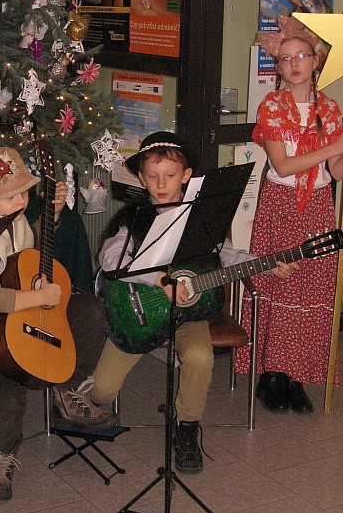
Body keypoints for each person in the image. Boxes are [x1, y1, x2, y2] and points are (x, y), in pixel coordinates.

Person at [56, 131, 295, 474]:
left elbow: (225, 256)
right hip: (139, 314)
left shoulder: (203, 217)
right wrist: (158, 280)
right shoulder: (134, 217)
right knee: (103, 389)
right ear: (141, 178)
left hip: (189, 314)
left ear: (186, 175)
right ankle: (77, 398)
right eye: (152, 176)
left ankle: (187, 427)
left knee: (199, 356)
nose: (161, 184)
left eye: (169, 175)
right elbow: (110, 260)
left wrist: (265, 263)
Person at [0, 146, 114, 503]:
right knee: (7, 395)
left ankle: (67, 386)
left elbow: (21, 254)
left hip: (18, 321)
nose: (21, 200)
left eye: (23, 191)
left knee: (90, 311)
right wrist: (38, 298)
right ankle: (1, 457)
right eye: (10, 196)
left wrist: (51, 214)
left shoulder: (10, 218)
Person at [234, 15, 343, 414]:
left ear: (317, 61)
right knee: (278, 285)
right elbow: (282, 165)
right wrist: (333, 148)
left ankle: (295, 376)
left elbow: (336, 172)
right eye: (285, 59)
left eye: (302, 56)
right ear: (278, 67)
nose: (294, 64)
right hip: (280, 205)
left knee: (311, 289)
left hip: (318, 206)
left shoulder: (329, 109)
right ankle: (271, 375)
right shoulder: (273, 106)